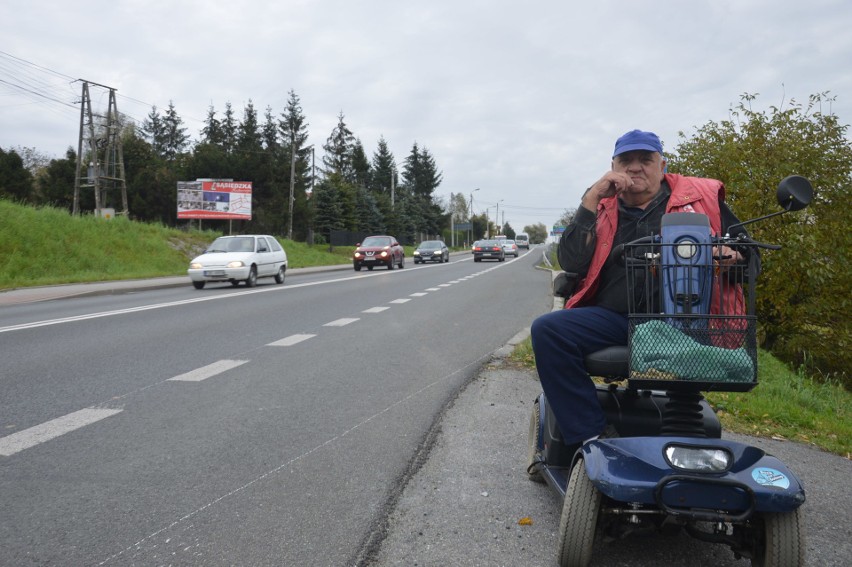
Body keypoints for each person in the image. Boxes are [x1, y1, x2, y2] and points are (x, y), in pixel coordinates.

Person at [530, 129, 751, 452]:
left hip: (685, 323)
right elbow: (571, 260)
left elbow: (748, 253)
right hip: (615, 319)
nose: (635, 167)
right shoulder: (601, 205)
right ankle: (592, 438)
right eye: (626, 161)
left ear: (662, 165)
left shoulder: (702, 199)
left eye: (645, 160)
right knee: (548, 330)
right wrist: (591, 198)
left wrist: (734, 257)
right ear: (613, 166)